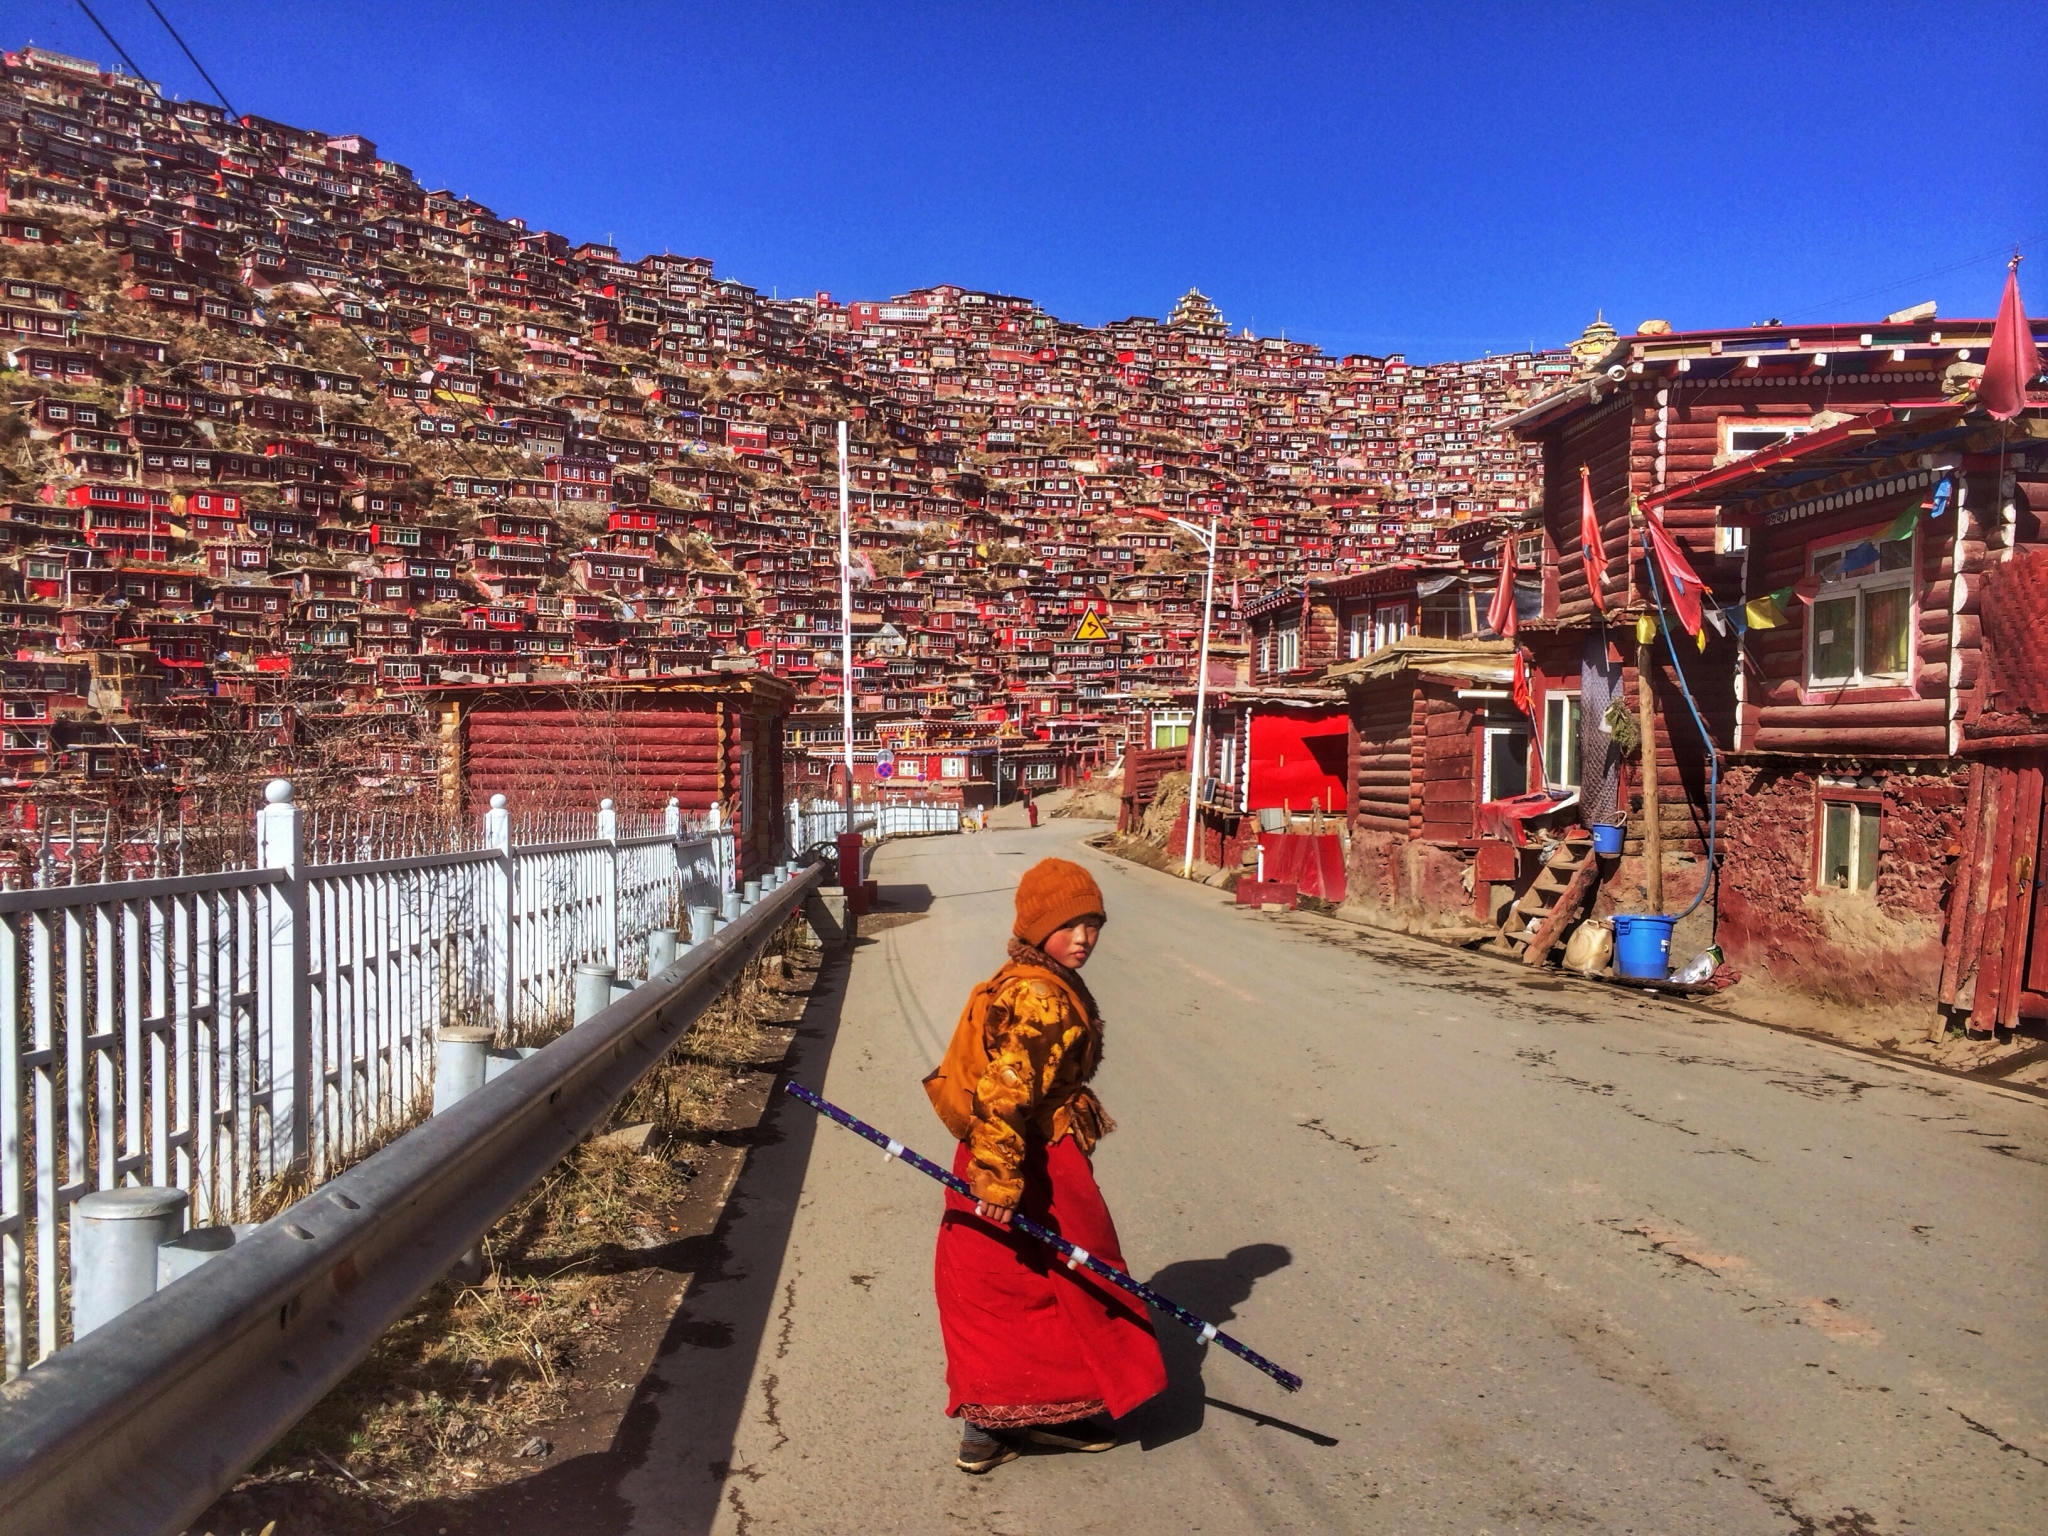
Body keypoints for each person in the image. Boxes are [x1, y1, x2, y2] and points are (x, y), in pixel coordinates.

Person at [924, 858, 1166, 1473]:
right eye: (1070, 925)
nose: (1084, 938)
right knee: (1032, 1277)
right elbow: (1007, 1088)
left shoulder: (1033, 974)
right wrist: (1001, 1180)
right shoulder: (1036, 994)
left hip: (1006, 1150)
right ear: (1035, 927)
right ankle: (1006, 1415)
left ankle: (1014, 1415)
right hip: (1022, 1157)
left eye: (1094, 925)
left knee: (1003, 1280)